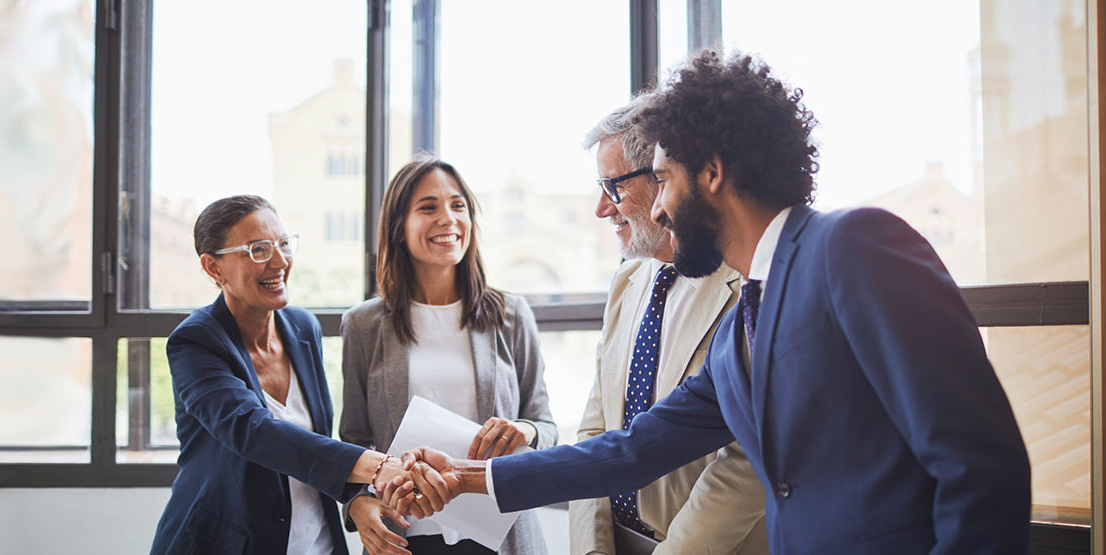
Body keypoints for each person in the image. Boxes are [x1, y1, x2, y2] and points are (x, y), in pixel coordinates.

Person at [380, 50, 1032, 555]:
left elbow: (982, 467)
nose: (658, 205)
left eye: (662, 178)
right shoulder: (745, 321)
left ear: (712, 173)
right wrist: (468, 477)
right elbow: (630, 449)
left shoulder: (854, 245)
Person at [151, 195, 411, 555]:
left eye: (283, 244)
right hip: (229, 543)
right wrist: (376, 466)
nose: (280, 261)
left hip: (316, 542)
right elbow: (253, 431)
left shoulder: (302, 327)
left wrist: (355, 497)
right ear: (214, 268)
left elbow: (314, 438)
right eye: (258, 250)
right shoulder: (196, 342)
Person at [571, 100, 767, 555]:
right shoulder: (627, 280)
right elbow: (595, 430)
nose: (602, 208)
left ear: (664, 178)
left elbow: (746, 460)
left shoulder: (747, 288)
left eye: (612, 187)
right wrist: (592, 548)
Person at [338, 154, 555, 555]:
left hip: (500, 536)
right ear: (399, 228)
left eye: (458, 206)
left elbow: (545, 424)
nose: (447, 218)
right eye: (428, 207)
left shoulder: (510, 315)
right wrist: (355, 502)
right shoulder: (364, 325)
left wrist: (526, 430)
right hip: (404, 536)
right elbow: (353, 439)